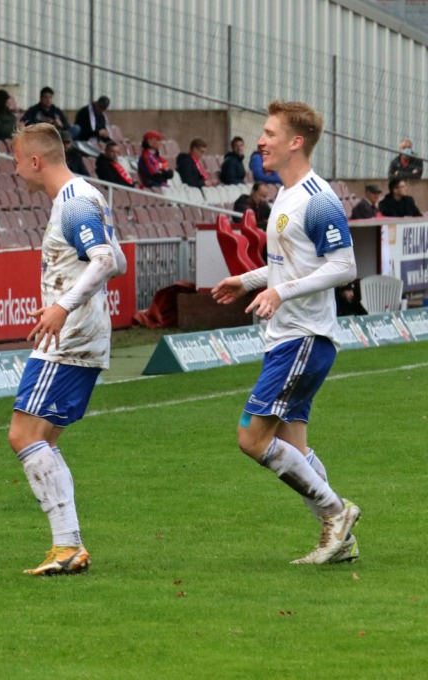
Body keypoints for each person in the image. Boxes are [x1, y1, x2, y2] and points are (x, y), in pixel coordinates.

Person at [211, 100, 361, 566]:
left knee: (251, 439)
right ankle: (340, 542)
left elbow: (344, 266)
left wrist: (282, 294)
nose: (261, 141)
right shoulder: (287, 194)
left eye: (270, 133)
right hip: (291, 338)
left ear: (296, 142)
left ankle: (337, 513)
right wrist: (251, 281)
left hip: (303, 338)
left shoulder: (317, 198)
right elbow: (291, 265)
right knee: (294, 449)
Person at [7, 123, 126, 576]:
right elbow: (118, 259)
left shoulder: (74, 202)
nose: (16, 169)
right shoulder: (85, 196)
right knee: (42, 440)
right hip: (81, 331)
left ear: (36, 161)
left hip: (69, 335)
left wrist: (61, 304)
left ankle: (67, 545)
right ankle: (68, 546)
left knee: (24, 435)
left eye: (18, 159)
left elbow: (104, 260)